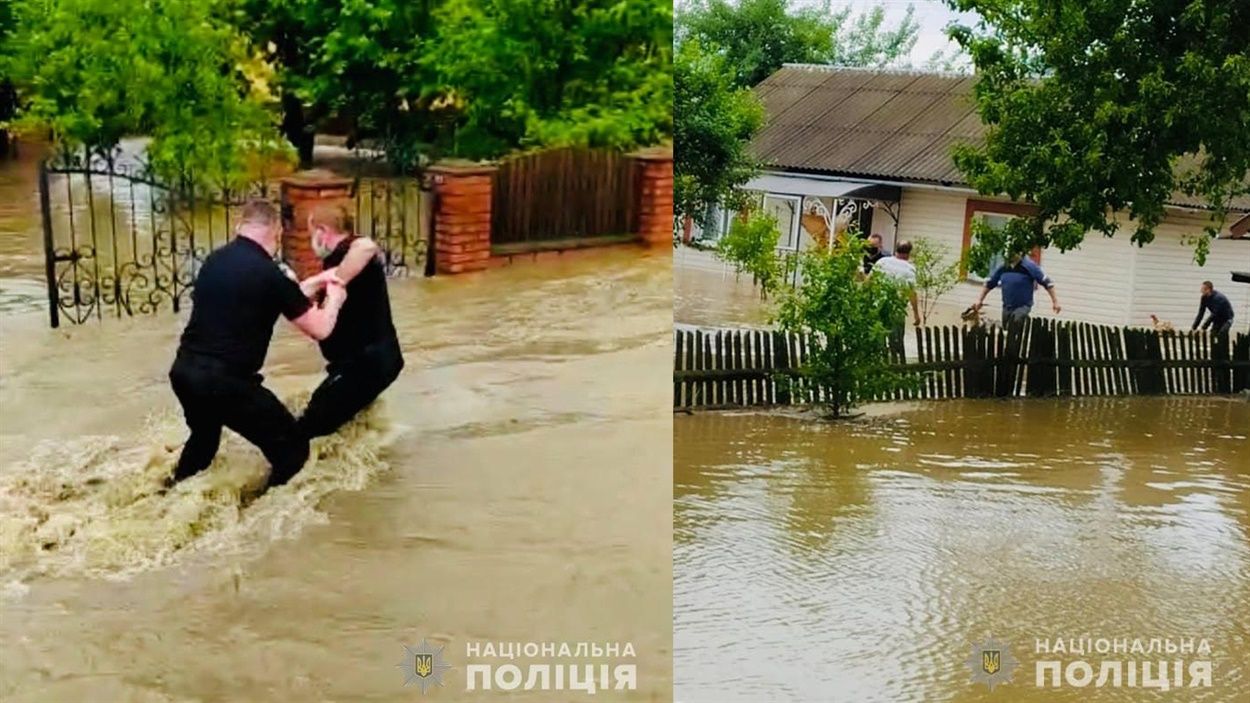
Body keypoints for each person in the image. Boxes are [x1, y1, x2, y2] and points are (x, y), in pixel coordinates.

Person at [167, 200, 347, 489]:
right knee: (294, 452)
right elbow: (321, 329)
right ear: (275, 233)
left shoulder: (215, 261)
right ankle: (255, 517)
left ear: (242, 226)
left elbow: (254, 299)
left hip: (185, 373)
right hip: (226, 383)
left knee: (204, 443)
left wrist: (302, 287)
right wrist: (336, 297)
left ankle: (169, 492)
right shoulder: (270, 275)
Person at [295, 203, 404, 439]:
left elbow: (367, 247)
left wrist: (322, 281)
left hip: (366, 364)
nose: (311, 241)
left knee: (304, 431)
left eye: (311, 233)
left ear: (322, 231)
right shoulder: (336, 260)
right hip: (366, 363)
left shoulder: (353, 253)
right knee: (329, 414)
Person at [971, 253, 1061, 328]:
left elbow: (1048, 283)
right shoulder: (1004, 268)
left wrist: (1055, 302)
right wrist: (980, 300)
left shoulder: (1029, 266)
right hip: (1007, 307)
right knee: (1007, 329)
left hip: (1023, 306)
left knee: (1015, 324)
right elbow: (989, 284)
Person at [874, 240, 921, 327]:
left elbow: (868, 282)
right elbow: (912, 294)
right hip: (896, 309)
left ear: (896, 250)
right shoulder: (909, 269)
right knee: (896, 339)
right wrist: (916, 314)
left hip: (878, 306)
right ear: (909, 253)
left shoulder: (882, 262)